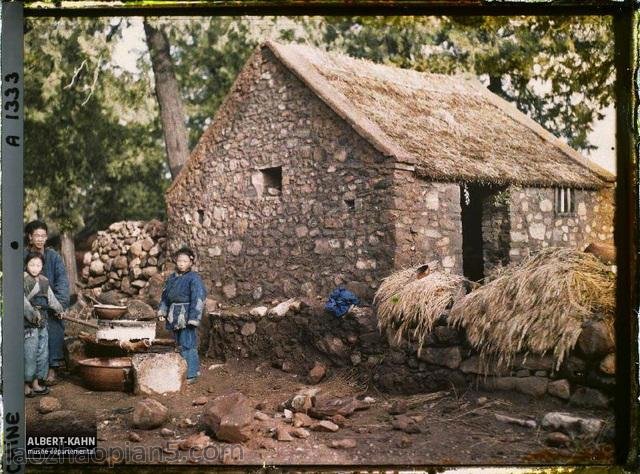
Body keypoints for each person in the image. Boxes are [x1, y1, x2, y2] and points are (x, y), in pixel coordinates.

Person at [24, 220, 70, 385]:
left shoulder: (53, 257)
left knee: (55, 323)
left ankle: (52, 367)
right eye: (36, 235)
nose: (40, 239)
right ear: (30, 237)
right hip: (28, 307)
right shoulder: (23, 256)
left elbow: (62, 283)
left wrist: (60, 306)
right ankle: (30, 376)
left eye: (43, 236)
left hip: (50, 306)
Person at [158, 247, 206, 384]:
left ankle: (191, 373)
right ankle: (181, 371)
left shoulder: (194, 278)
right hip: (174, 314)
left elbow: (198, 298)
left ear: (190, 263)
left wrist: (193, 318)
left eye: (184, 261)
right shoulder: (172, 278)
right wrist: (163, 311)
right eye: (179, 260)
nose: (181, 263)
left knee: (188, 343)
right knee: (178, 344)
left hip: (186, 315)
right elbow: (165, 297)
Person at [24, 252, 64, 397]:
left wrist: (59, 310)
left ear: (42, 266)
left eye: (38, 265)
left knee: (42, 351)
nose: (35, 268)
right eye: (32, 264)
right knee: (30, 353)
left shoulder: (44, 281)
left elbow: (51, 298)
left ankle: (37, 381)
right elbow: (23, 303)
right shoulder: (23, 280)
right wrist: (33, 316)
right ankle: (26, 384)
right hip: (29, 323)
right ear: (26, 265)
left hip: (43, 320)